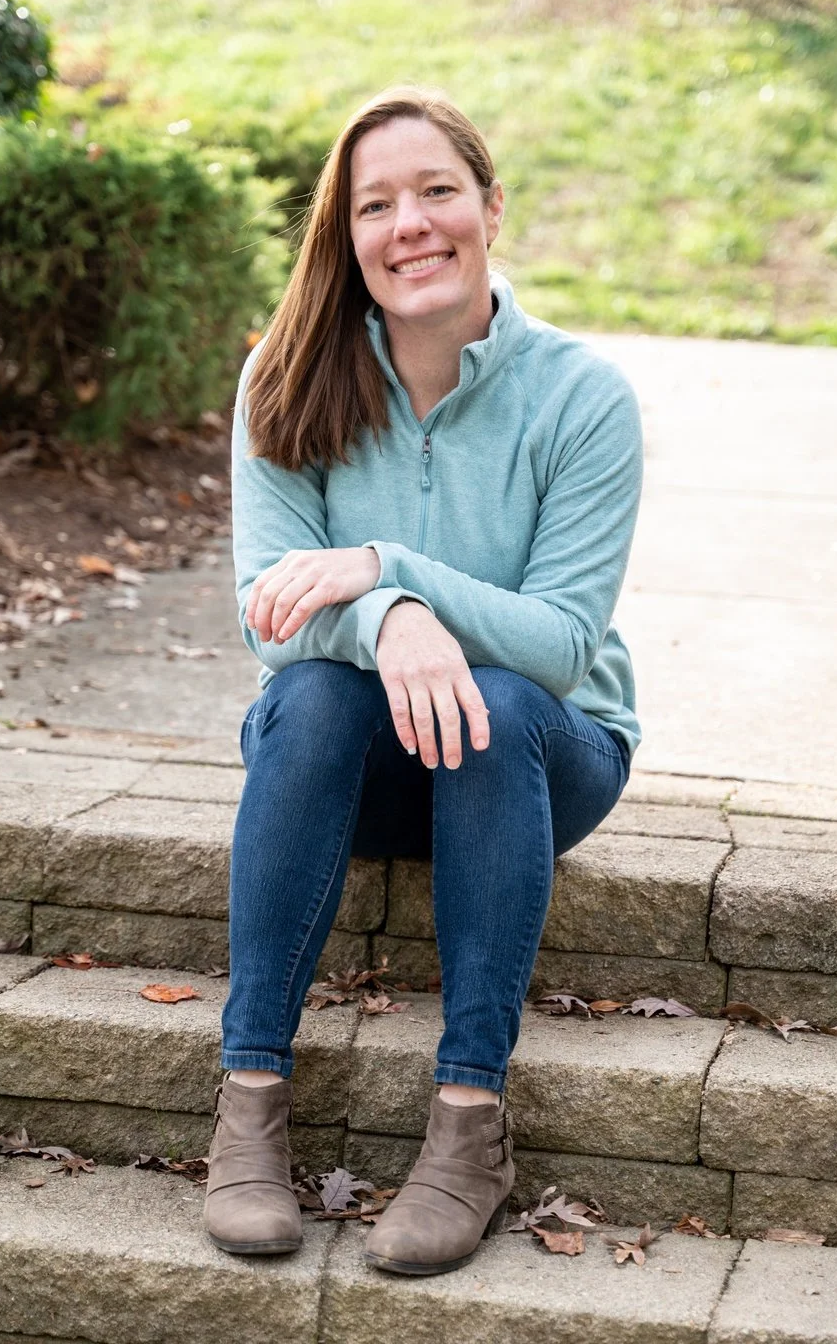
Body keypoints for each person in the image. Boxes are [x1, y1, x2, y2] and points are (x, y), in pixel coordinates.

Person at [203, 86, 643, 1276]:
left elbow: (555, 646)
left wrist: (385, 565)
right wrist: (392, 617)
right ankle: (246, 1110)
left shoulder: (582, 398)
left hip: (539, 756)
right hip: (352, 758)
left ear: (490, 208)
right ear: (346, 239)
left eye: (436, 191)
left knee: (497, 704)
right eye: (375, 205)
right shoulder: (285, 380)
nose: (410, 224)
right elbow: (272, 617)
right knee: (309, 695)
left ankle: (465, 1131)